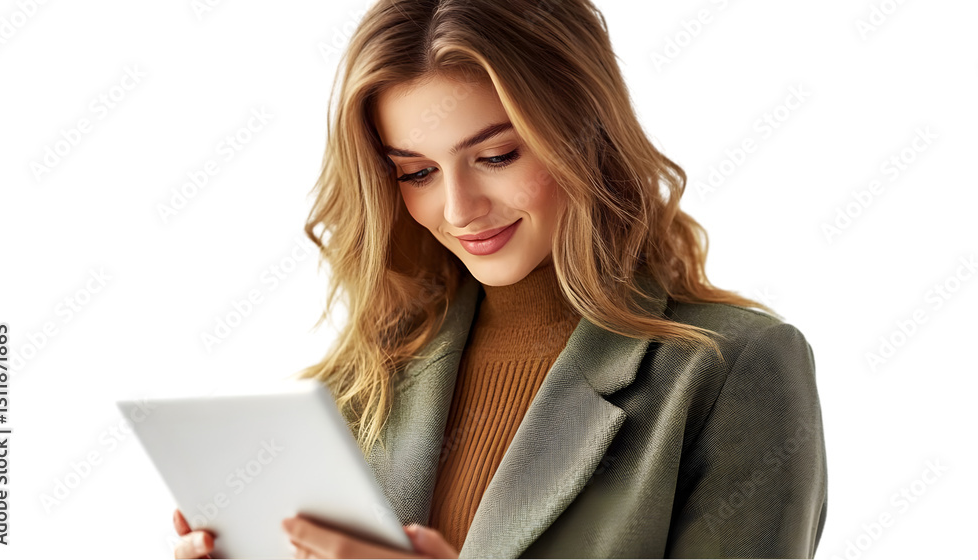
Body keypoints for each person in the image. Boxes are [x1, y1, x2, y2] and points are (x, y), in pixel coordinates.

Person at [173, 0, 827, 558]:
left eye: (495, 156)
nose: (459, 211)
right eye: (417, 173)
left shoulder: (731, 367)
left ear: (584, 133)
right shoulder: (366, 380)